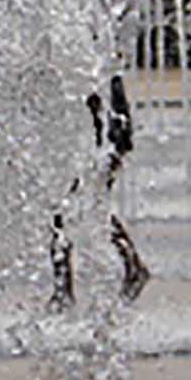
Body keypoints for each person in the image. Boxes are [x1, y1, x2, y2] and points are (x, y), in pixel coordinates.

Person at [49, 71, 150, 309]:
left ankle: (63, 289)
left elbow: (102, 105)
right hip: (99, 138)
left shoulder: (88, 70)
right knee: (81, 207)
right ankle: (131, 267)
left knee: (70, 208)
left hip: (102, 141)